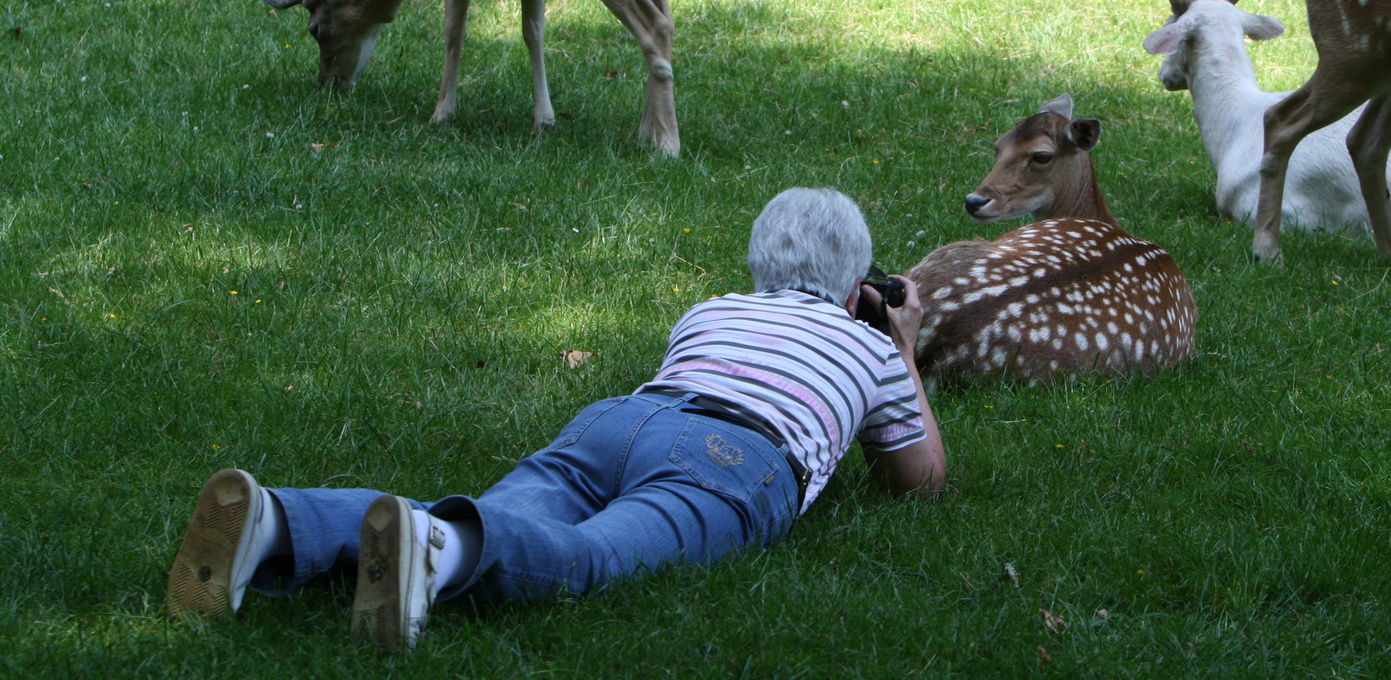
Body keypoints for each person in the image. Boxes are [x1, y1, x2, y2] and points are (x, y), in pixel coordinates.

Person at [166, 188, 947, 652]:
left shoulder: (711, 309)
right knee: (594, 557)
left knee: (502, 512)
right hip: (734, 455)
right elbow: (920, 483)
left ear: (755, 267)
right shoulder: (867, 345)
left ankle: (275, 521)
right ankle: (439, 553)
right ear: (857, 287)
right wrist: (902, 347)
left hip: (622, 420)